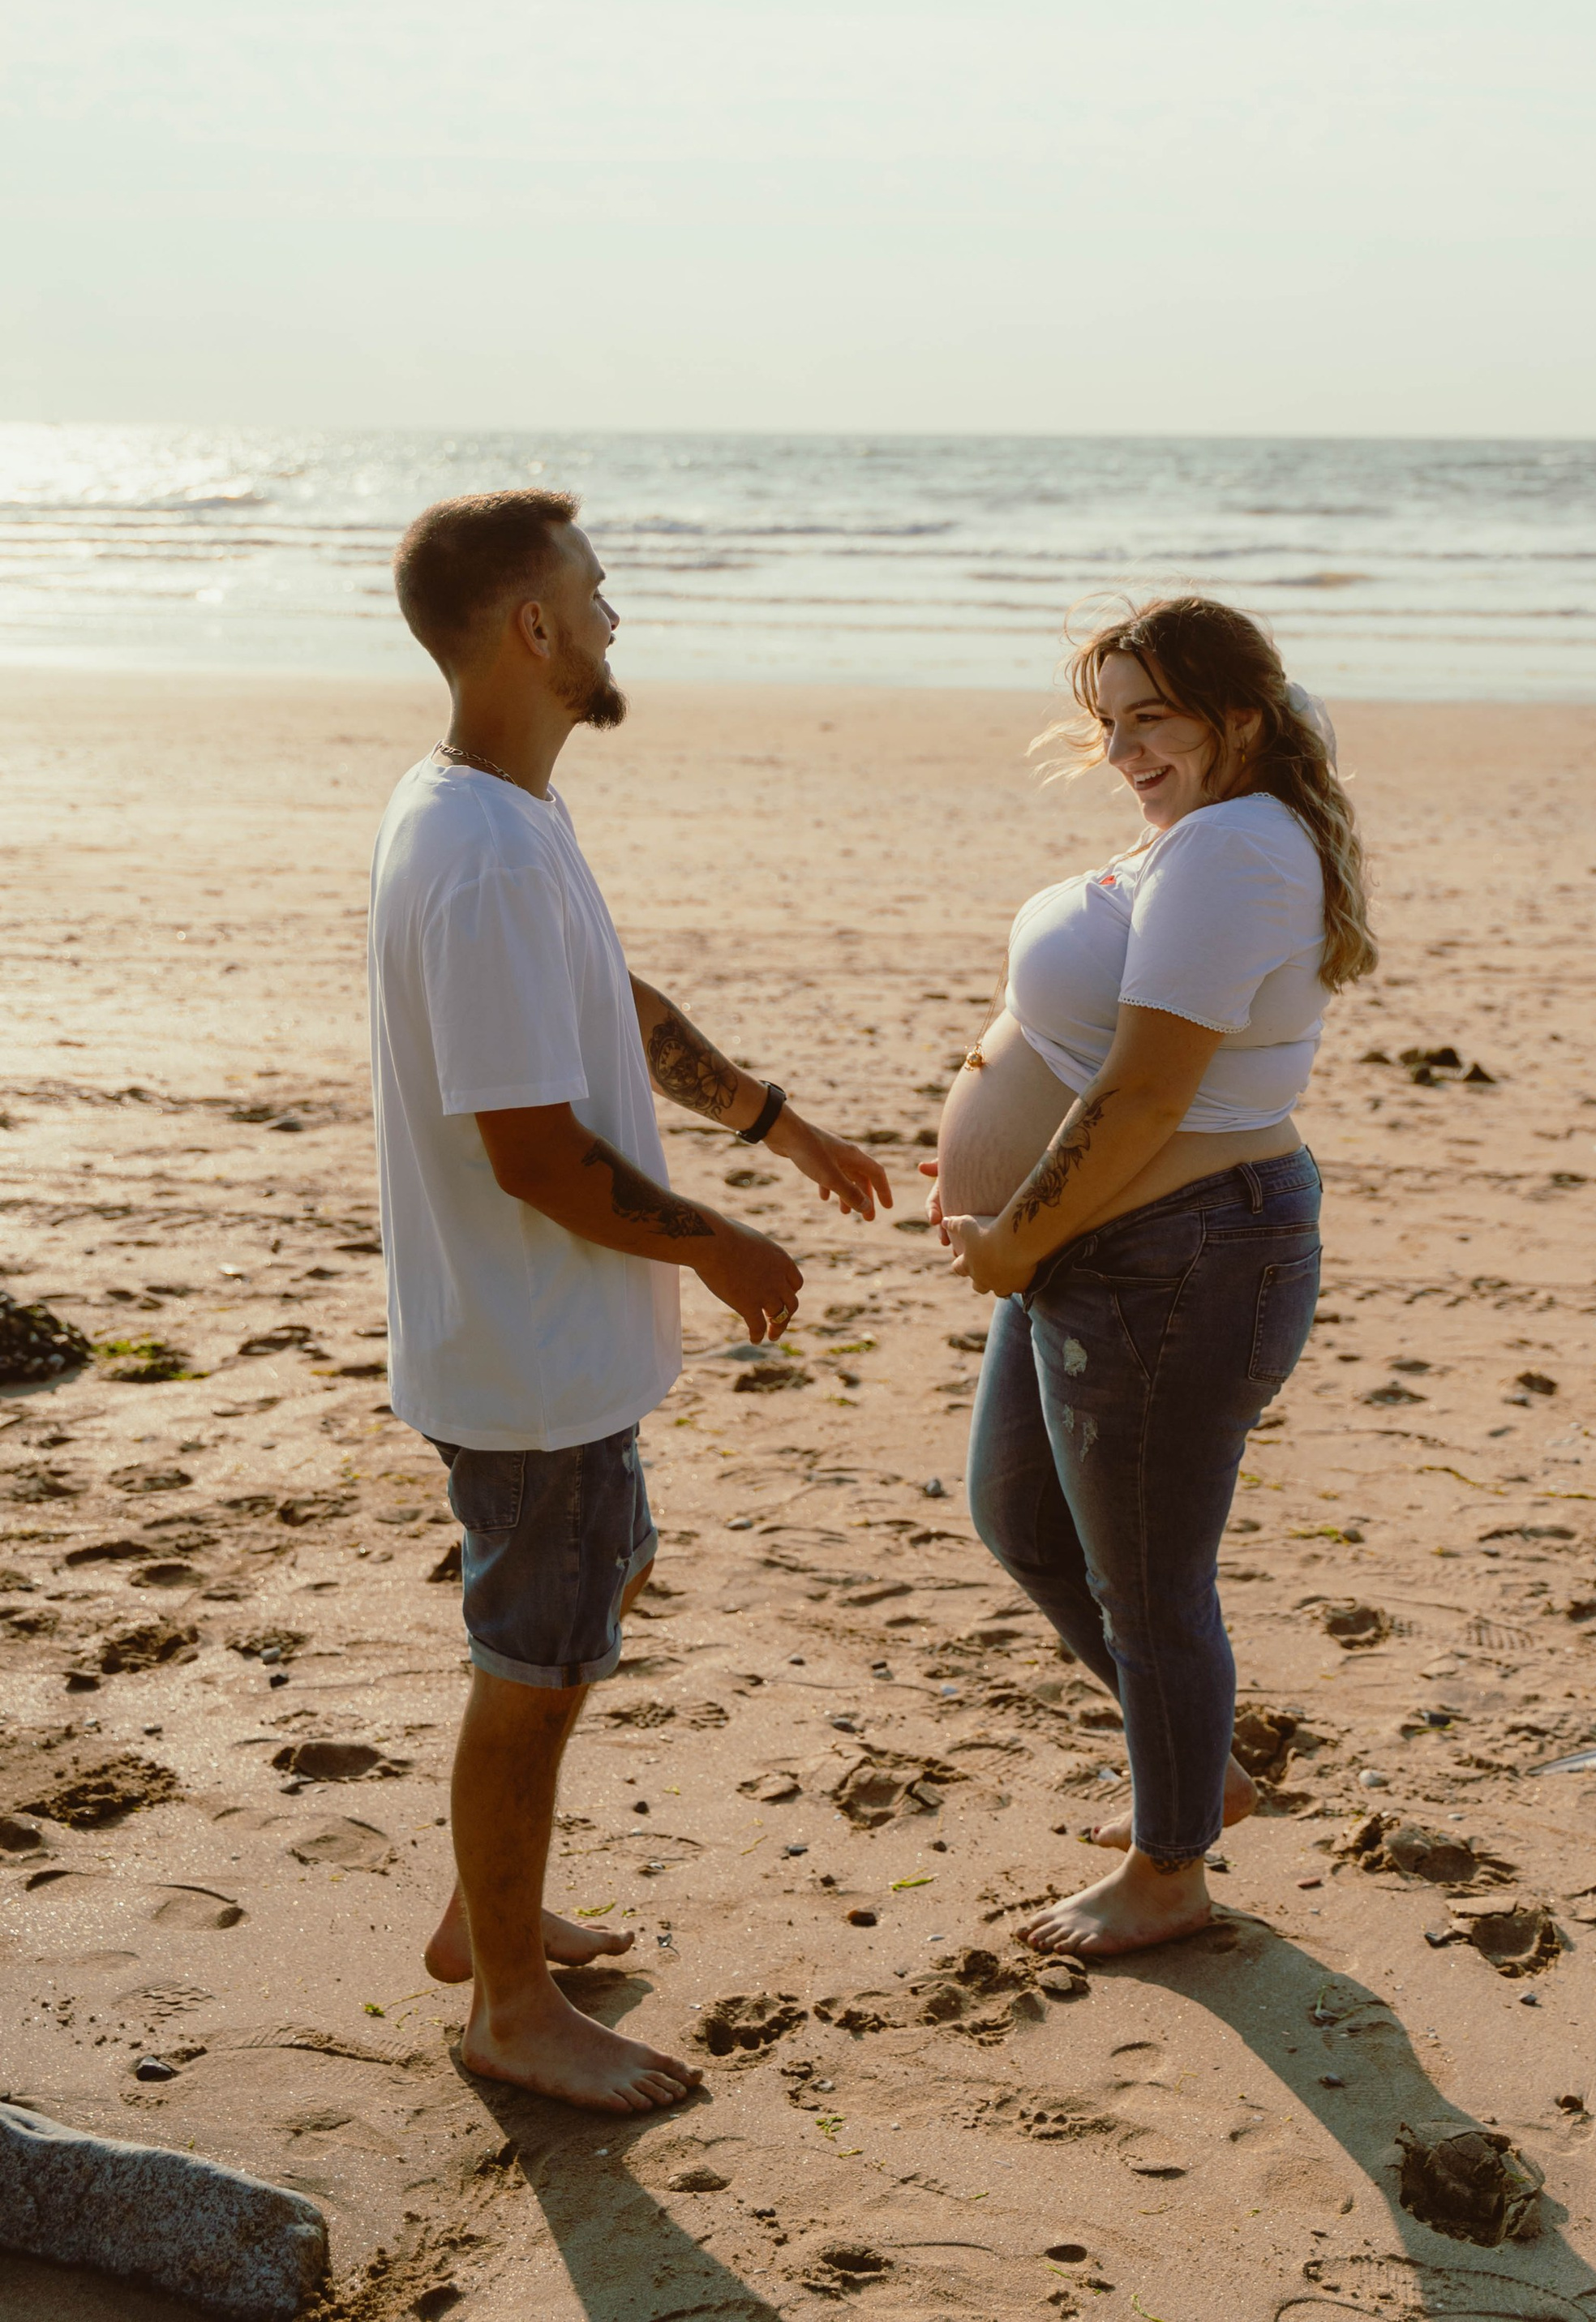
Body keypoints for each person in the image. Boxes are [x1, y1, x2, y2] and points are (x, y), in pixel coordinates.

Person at [368, 487, 891, 2112]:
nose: (613, 617)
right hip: (530, 1352)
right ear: (531, 627)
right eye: (593, 592)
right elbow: (531, 1150)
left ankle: (487, 1913)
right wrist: (715, 1242)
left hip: (537, 1343)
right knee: (531, 1669)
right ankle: (509, 2005)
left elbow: (609, 996)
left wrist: (769, 1118)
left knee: (596, 1589)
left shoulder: (502, 816)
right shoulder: (476, 857)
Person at [932, 595, 1375, 1959]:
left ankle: (1171, 1866)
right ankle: (1198, 1767)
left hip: (1179, 1255)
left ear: (1237, 721)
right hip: (1113, 1248)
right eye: (1107, 722)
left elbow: (1141, 1093)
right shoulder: (1201, 828)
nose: (1123, 749)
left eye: (1152, 719)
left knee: (1148, 1576)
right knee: (1020, 1514)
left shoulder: (1238, 846)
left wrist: (1011, 1237)